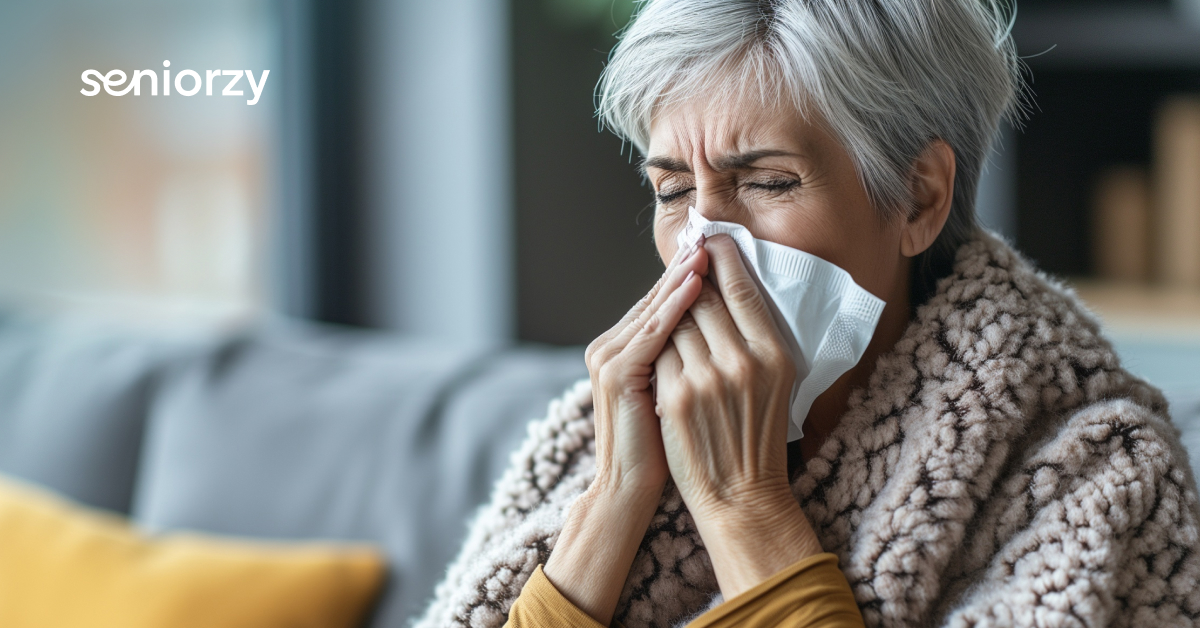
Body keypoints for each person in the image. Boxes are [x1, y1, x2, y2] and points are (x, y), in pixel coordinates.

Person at [415, 1, 1200, 626]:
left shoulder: (1098, 475)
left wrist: (743, 505)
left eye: (768, 182)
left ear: (919, 197)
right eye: (674, 192)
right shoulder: (596, 433)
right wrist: (617, 493)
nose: (705, 241)